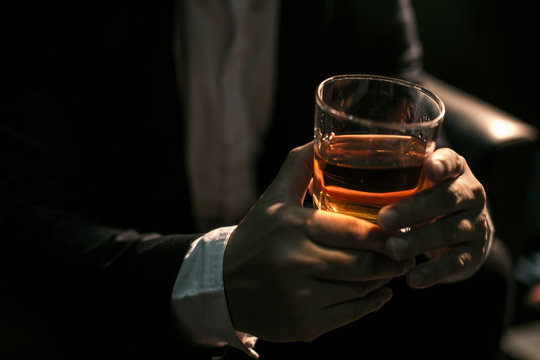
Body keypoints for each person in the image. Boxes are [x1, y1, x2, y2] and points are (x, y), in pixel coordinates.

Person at [0, 0, 511, 359]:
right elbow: (22, 220)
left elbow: (400, 131)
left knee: (482, 280)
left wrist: (444, 214)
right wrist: (210, 283)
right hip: (132, 292)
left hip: (323, 296)